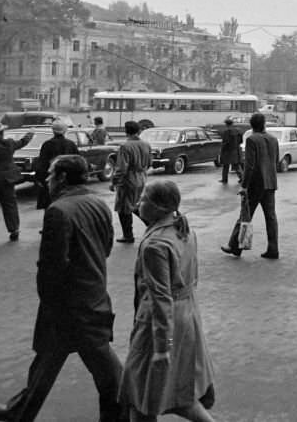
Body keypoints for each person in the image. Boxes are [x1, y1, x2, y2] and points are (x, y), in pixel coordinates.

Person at [0, 155, 124, 422]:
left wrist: (49, 303)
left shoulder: (58, 211)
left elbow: (52, 267)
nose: (47, 179)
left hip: (69, 306)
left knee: (105, 371)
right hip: (93, 298)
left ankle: (119, 415)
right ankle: (19, 412)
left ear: (61, 177)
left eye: (50, 174)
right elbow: (105, 248)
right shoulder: (98, 203)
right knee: (49, 363)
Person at [121, 180, 216, 422]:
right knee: (178, 394)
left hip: (162, 326)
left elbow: (161, 300)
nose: (137, 204)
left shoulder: (155, 245)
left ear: (157, 208)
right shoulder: (183, 229)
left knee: (141, 394)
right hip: (188, 316)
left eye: (143, 200)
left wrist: (163, 347)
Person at [222, 112, 280, 258]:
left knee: (245, 215)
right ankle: (273, 249)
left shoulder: (252, 140)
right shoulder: (273, 139)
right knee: (271, 217)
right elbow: (276, 161)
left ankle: (235, 246)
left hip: (256, 184)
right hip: (271, 183)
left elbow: (250, 166)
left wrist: (244, 185)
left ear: (252, 125)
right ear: (264, 124)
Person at [112, 121, 152, 244]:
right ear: (138, 131)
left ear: (126, 131)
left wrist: (114, 182)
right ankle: (152, 225)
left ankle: (128, 235)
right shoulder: (146, 145)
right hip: (141, 177)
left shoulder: (126, 146)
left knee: (124, 208)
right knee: (135, 204)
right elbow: (150, 163)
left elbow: (121, 168)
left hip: (128, 179)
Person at [34, 120, 79, 210]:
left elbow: (42, 164)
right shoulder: (71, 144)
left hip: (52, 180)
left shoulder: (47, 144)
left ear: (53, 130)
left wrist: (40, 179)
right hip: (68, 181)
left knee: (51, 206)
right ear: (65, 131)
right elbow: (78, 163)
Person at [218, 117, 243, 184]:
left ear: (226, 124)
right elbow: (241, 141)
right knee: (236, 165)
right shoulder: (238, 131)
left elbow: (226, 142)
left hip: (228, 151)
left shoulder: (227, 132)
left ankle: (224, 179)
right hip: (236, 150)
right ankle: (242, 178)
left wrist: (222, 149)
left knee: (226, 166)